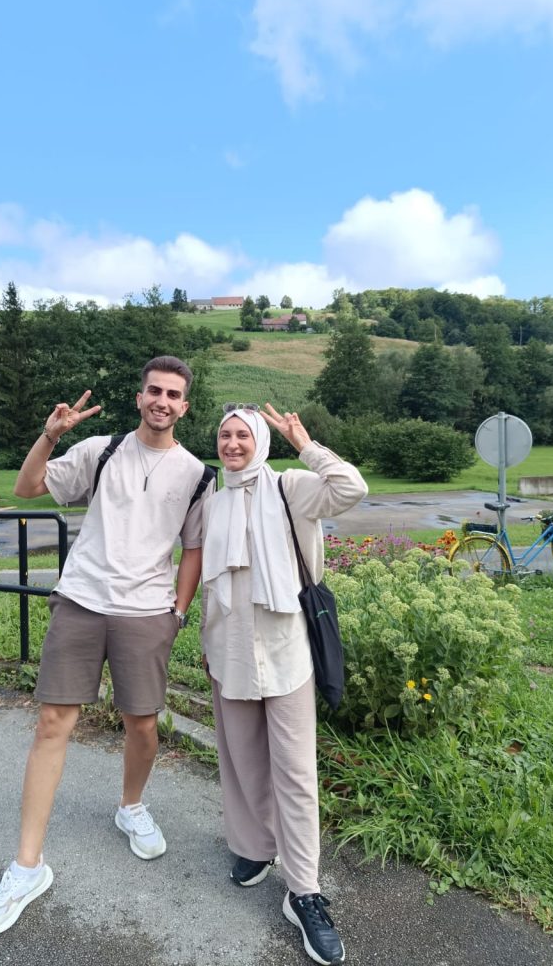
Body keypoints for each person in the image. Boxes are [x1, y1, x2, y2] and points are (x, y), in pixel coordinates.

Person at [0, 355, 213, 938]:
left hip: (146, 613)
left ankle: (131, 806)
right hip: (81, 600)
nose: (162, 401)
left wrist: (177, 613)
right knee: (54, 721)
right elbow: (28, 487)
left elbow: (195, 549)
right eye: (153, 390)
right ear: (140, 397)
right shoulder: (100, 451)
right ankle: (27, 867)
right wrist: (49, 436)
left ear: (185, 406)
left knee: (143, 726)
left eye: (173, 394)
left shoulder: (196, 474)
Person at [200, 402, 367, 966]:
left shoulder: (291, 485)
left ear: (260, 441)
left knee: (295, 772)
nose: (232, 444)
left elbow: (350, 488)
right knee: (242, 762)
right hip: (229, 652)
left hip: (287, 652)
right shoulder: (214, 500)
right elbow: (210, 581)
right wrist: (205, 645)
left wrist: (305, 442)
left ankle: (305, 890)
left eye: (243, 434)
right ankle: (255, 848)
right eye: (224, 435)